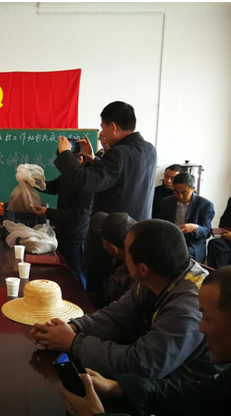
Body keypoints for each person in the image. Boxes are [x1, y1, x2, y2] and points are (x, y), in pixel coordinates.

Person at [31, 219, 220, 382]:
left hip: (184, 389)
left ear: (143, 269)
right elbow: (117, 315)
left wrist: (73, 342)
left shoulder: (190, 305)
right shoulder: (158, 275)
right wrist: (72, 328)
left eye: (127, 253)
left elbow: (143, 364)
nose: (122, 257)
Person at [59, 264, 231, 416]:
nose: (201, 328)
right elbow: (198, 394)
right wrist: (118, 387)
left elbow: (144, 364)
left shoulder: (184, 306)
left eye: (207, 319)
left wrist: (95, 415)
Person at [53, 102, 157, 295]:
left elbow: (84, 182)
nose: (102, 134)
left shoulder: (118, 153)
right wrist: (94, 160)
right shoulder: (149, 149)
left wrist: (66, 153)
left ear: (113, 127)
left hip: (111, 241)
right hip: (135, 237)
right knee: (129, 296)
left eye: (103, 127)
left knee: (101, 296)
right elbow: (120, 177)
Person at [32, 155, 93, 289]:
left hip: (76, 238)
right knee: (63, 275)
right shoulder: (68, 175)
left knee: (76, 277)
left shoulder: (87, 179)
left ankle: (81, 302)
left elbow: (78, 213)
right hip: (62, 233)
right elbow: (51, 187)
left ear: (79, 159)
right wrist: (33, 182)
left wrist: (47, 212)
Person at [158, 172, 215, 263]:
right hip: (170, 240)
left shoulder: (205, 204)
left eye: (184, 192)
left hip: (191, 243)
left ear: (193, 189)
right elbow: (162, 223)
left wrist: (195, 228)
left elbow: (207, 232)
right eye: (176, 191)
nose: (180, 196)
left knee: (179, 257)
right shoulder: (167, 202)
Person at [89, 212, 136, 305]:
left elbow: (123, 310)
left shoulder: (136, 278)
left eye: (102, 238)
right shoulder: (119, 260)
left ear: (113, 248)